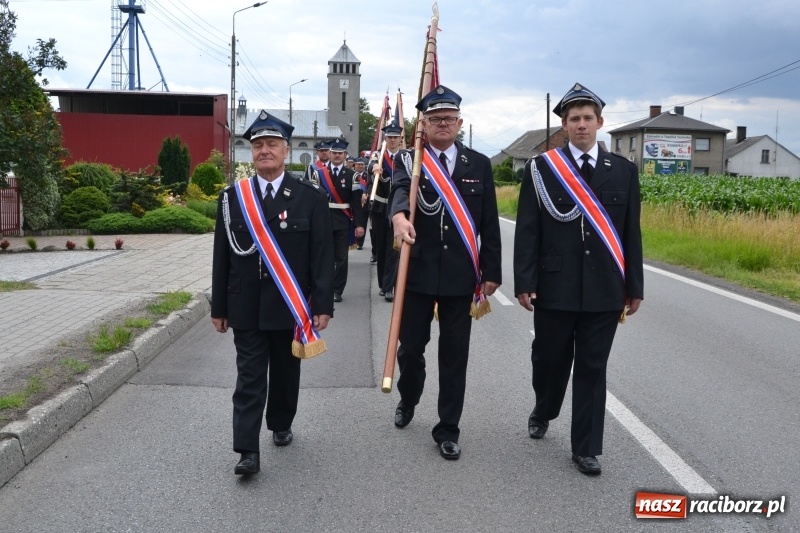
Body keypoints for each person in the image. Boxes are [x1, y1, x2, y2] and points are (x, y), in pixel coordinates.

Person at [513, 83, 644, 475]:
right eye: (574, 119)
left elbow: (630, 233)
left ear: (600, 123)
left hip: (605, 288)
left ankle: (586, 447)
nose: (582, 125)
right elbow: (528, 229)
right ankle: (545, 408)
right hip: (555, 285)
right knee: (549, 361)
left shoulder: (623, 171)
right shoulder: (542, 168)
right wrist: (524, 280)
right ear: (564, 126)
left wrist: (634, 286)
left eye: (588, 118)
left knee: (592, 366)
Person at [211, 110, 334, 476]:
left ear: (286, 150)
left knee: (284, 371)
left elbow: (322, 257)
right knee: (249, 377)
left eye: (272, 144)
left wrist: (322, 305)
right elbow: (221, 256)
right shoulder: (233, 198)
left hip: (290, 306)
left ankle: (281, 422)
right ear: (252, 153)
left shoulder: (309, 198)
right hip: (245, 303)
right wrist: (220, 306)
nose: (265, 150)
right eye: (258, 145)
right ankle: (247, 450)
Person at [390, 85, 502, 460]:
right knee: (411, 351)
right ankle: (409, 398)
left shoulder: (479, 165)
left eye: (449, 118)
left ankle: (448, 428)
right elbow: (400, 193)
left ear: (460, 123)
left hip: (460, 276)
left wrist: (492, 270)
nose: (442, 124)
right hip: (417, 273)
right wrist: (399, 217)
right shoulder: (410, 161)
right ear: (424, 123)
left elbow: (489, 222)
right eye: (435, 118)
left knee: (455, 355)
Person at [309, 137, 366, 302]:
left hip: (343, 221)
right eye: (334, 153)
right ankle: (323, 287)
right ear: (330, 154)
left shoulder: (352, 176)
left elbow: (356, 203)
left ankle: (337, 290)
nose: (336, 156)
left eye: (340, 153)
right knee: (323, 256)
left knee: (341, 257)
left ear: (345, 155)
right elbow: (313, 200)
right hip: (323, 221)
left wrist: (359, 224)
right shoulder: (318, 174)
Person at [366, 122, 403, 302]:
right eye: (390, 137)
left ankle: (389, 287)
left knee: (393, 249)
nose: (393, 140)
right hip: (380, 209)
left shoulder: (405, 157)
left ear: (400, 139)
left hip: (398, 209)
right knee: (381, 248)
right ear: (385, 139)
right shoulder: (378, 156)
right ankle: (383, 284)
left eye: (396, 137)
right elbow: (371, 164)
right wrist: (374, 168)